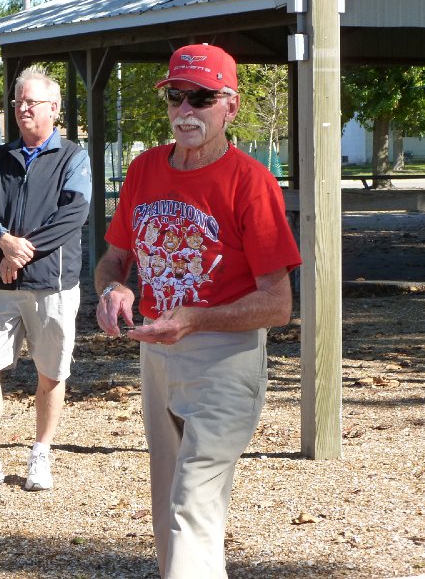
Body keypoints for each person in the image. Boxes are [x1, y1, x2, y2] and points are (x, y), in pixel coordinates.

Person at [94, 44, 302, 578]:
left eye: (202, 98)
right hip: (157, 354)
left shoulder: (250, 181)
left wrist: (196, 318)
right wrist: (114, 289)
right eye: (176, 97)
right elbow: (114, 259)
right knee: (167, 500)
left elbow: (278, 305)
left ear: (229, 107)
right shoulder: (143, 170)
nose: (185, 111)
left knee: (193, 498)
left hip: (224, 358)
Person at [0, 65, 91, 492]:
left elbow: (73, 214)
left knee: (51, 373)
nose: (22, 109)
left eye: (31, 102)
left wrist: (20, 253)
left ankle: (40, 454)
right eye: (18, 102)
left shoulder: (73, 158)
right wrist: (3, 242)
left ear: (54, 109)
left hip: (52, 284)